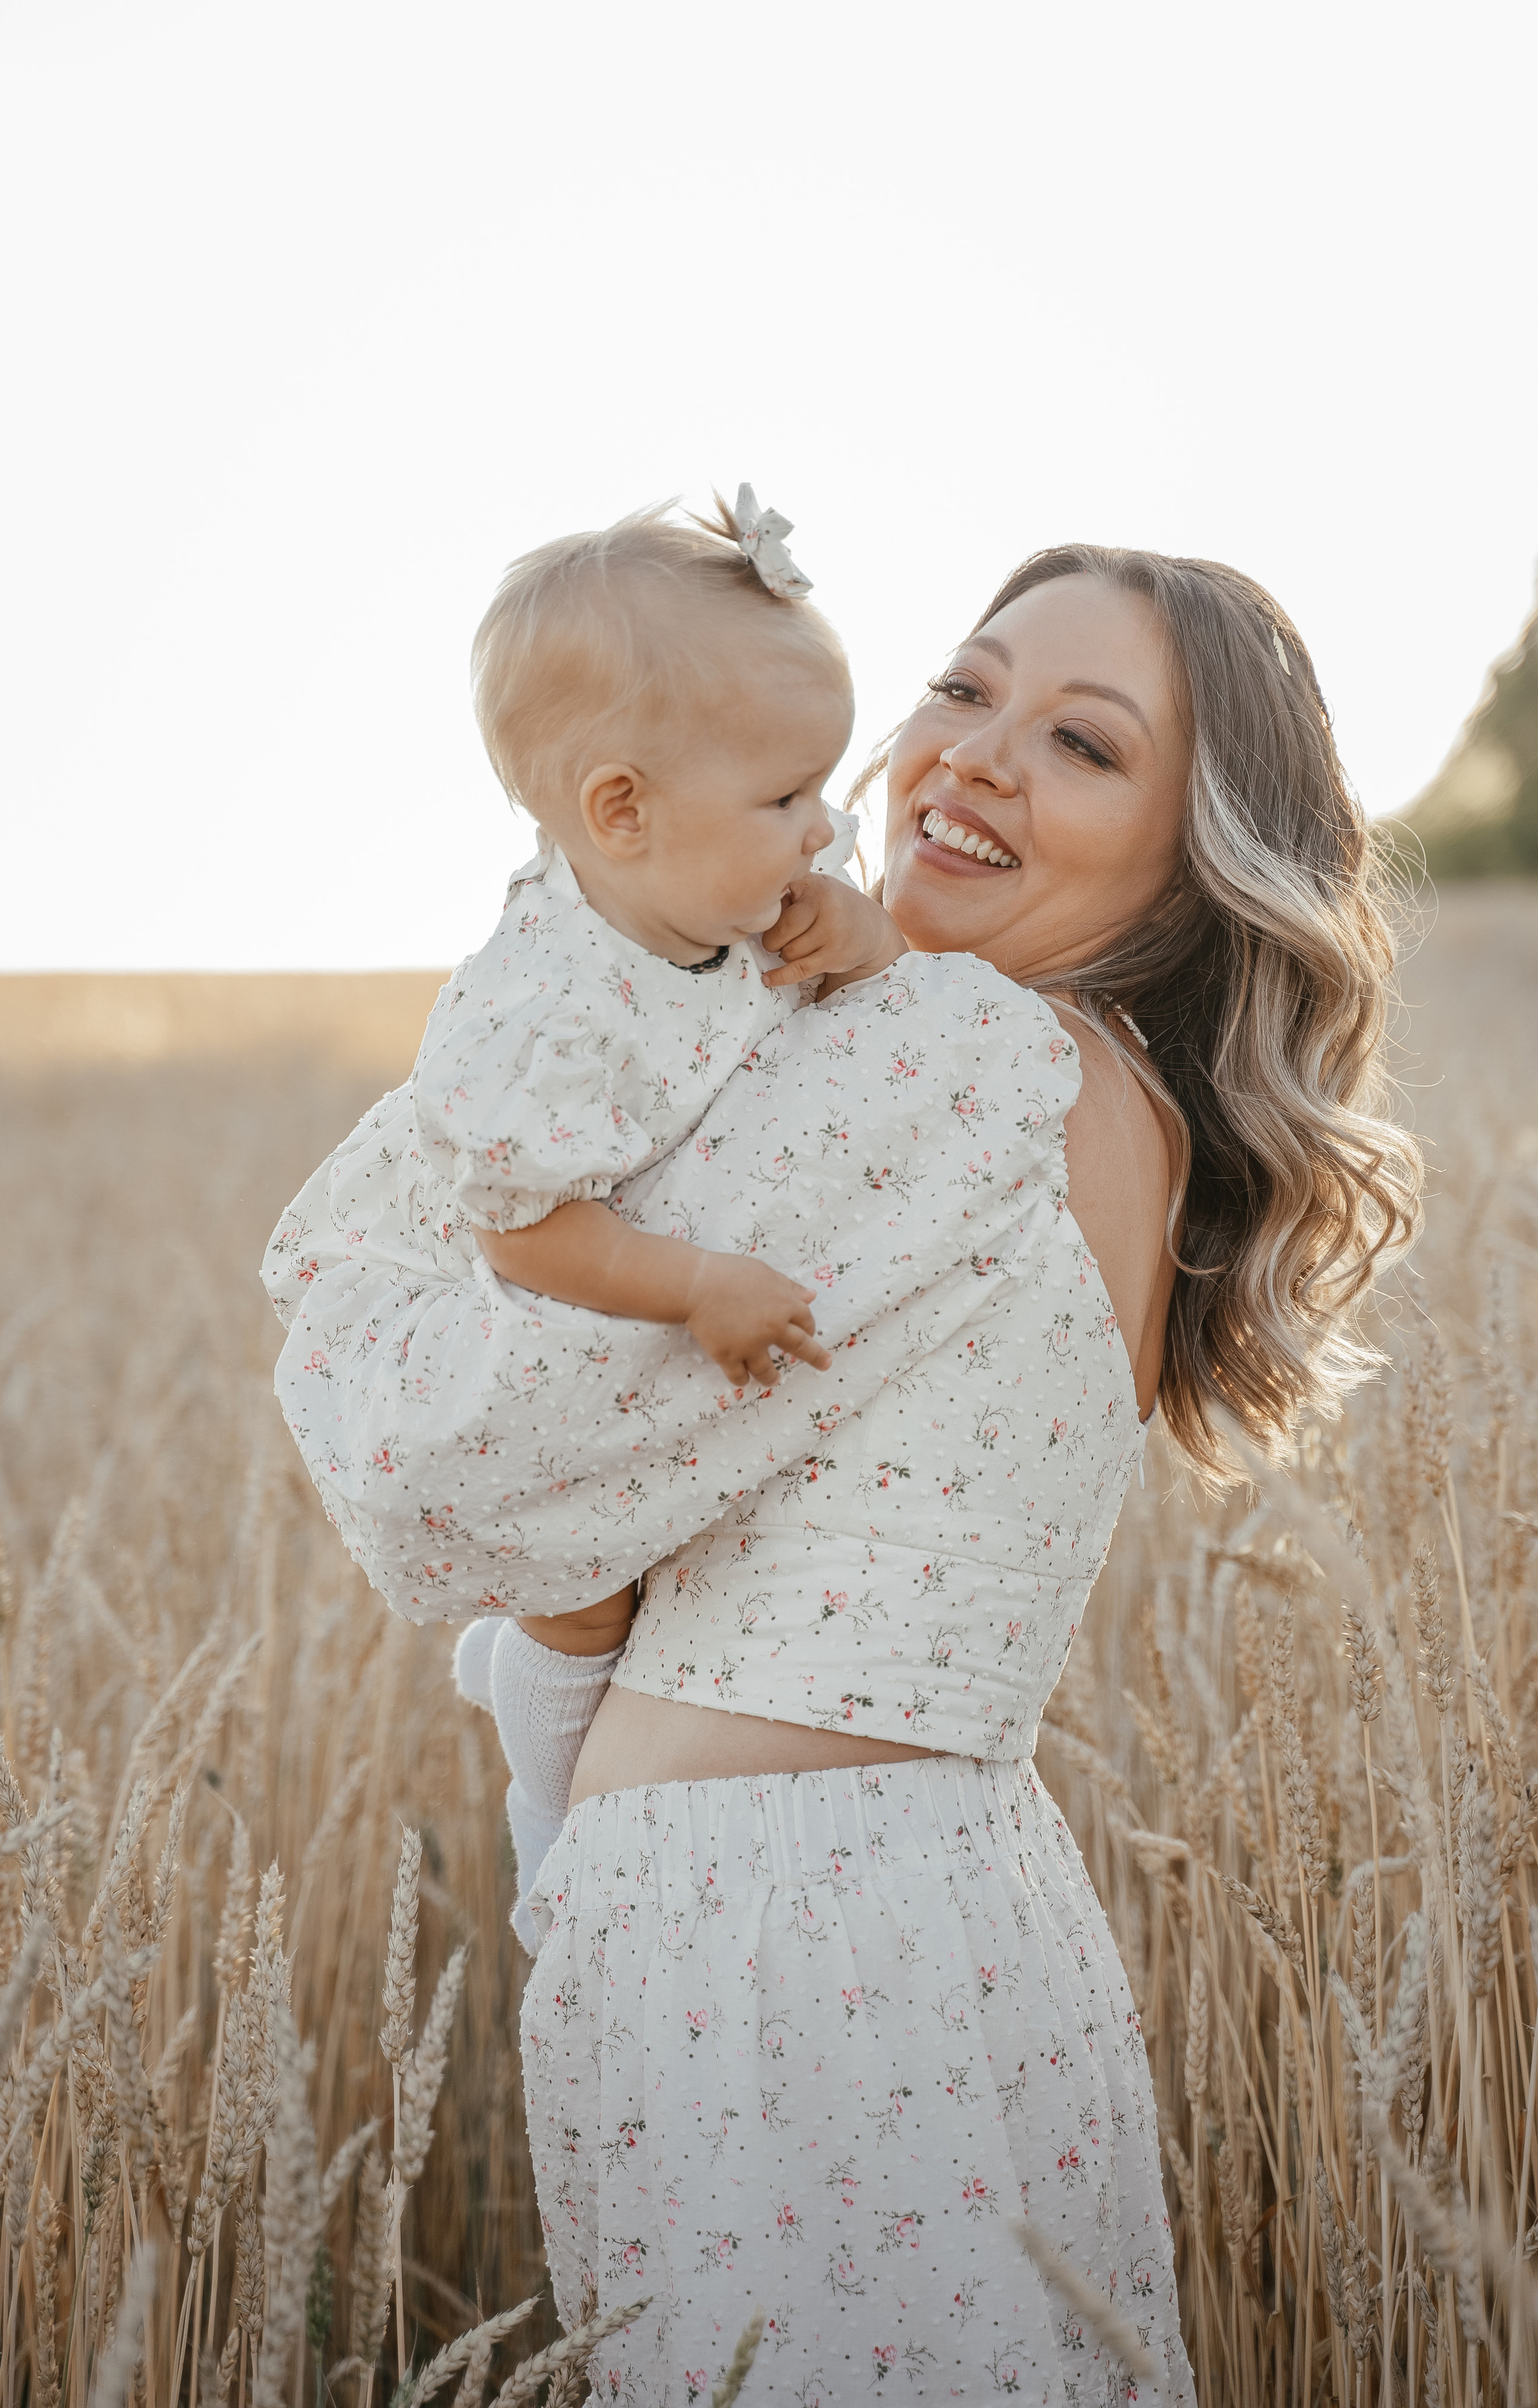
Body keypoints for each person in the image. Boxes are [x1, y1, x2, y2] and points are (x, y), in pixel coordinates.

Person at [265, 541, 1420, 2403]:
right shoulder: (1076, 1082)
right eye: (964, 690)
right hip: (905, 1915)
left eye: (1084, 745)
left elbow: (448, 1473)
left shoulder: (964, 1064)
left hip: (783, 1956)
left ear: (1190, 858)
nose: (974, 757)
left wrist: (350, 1277)